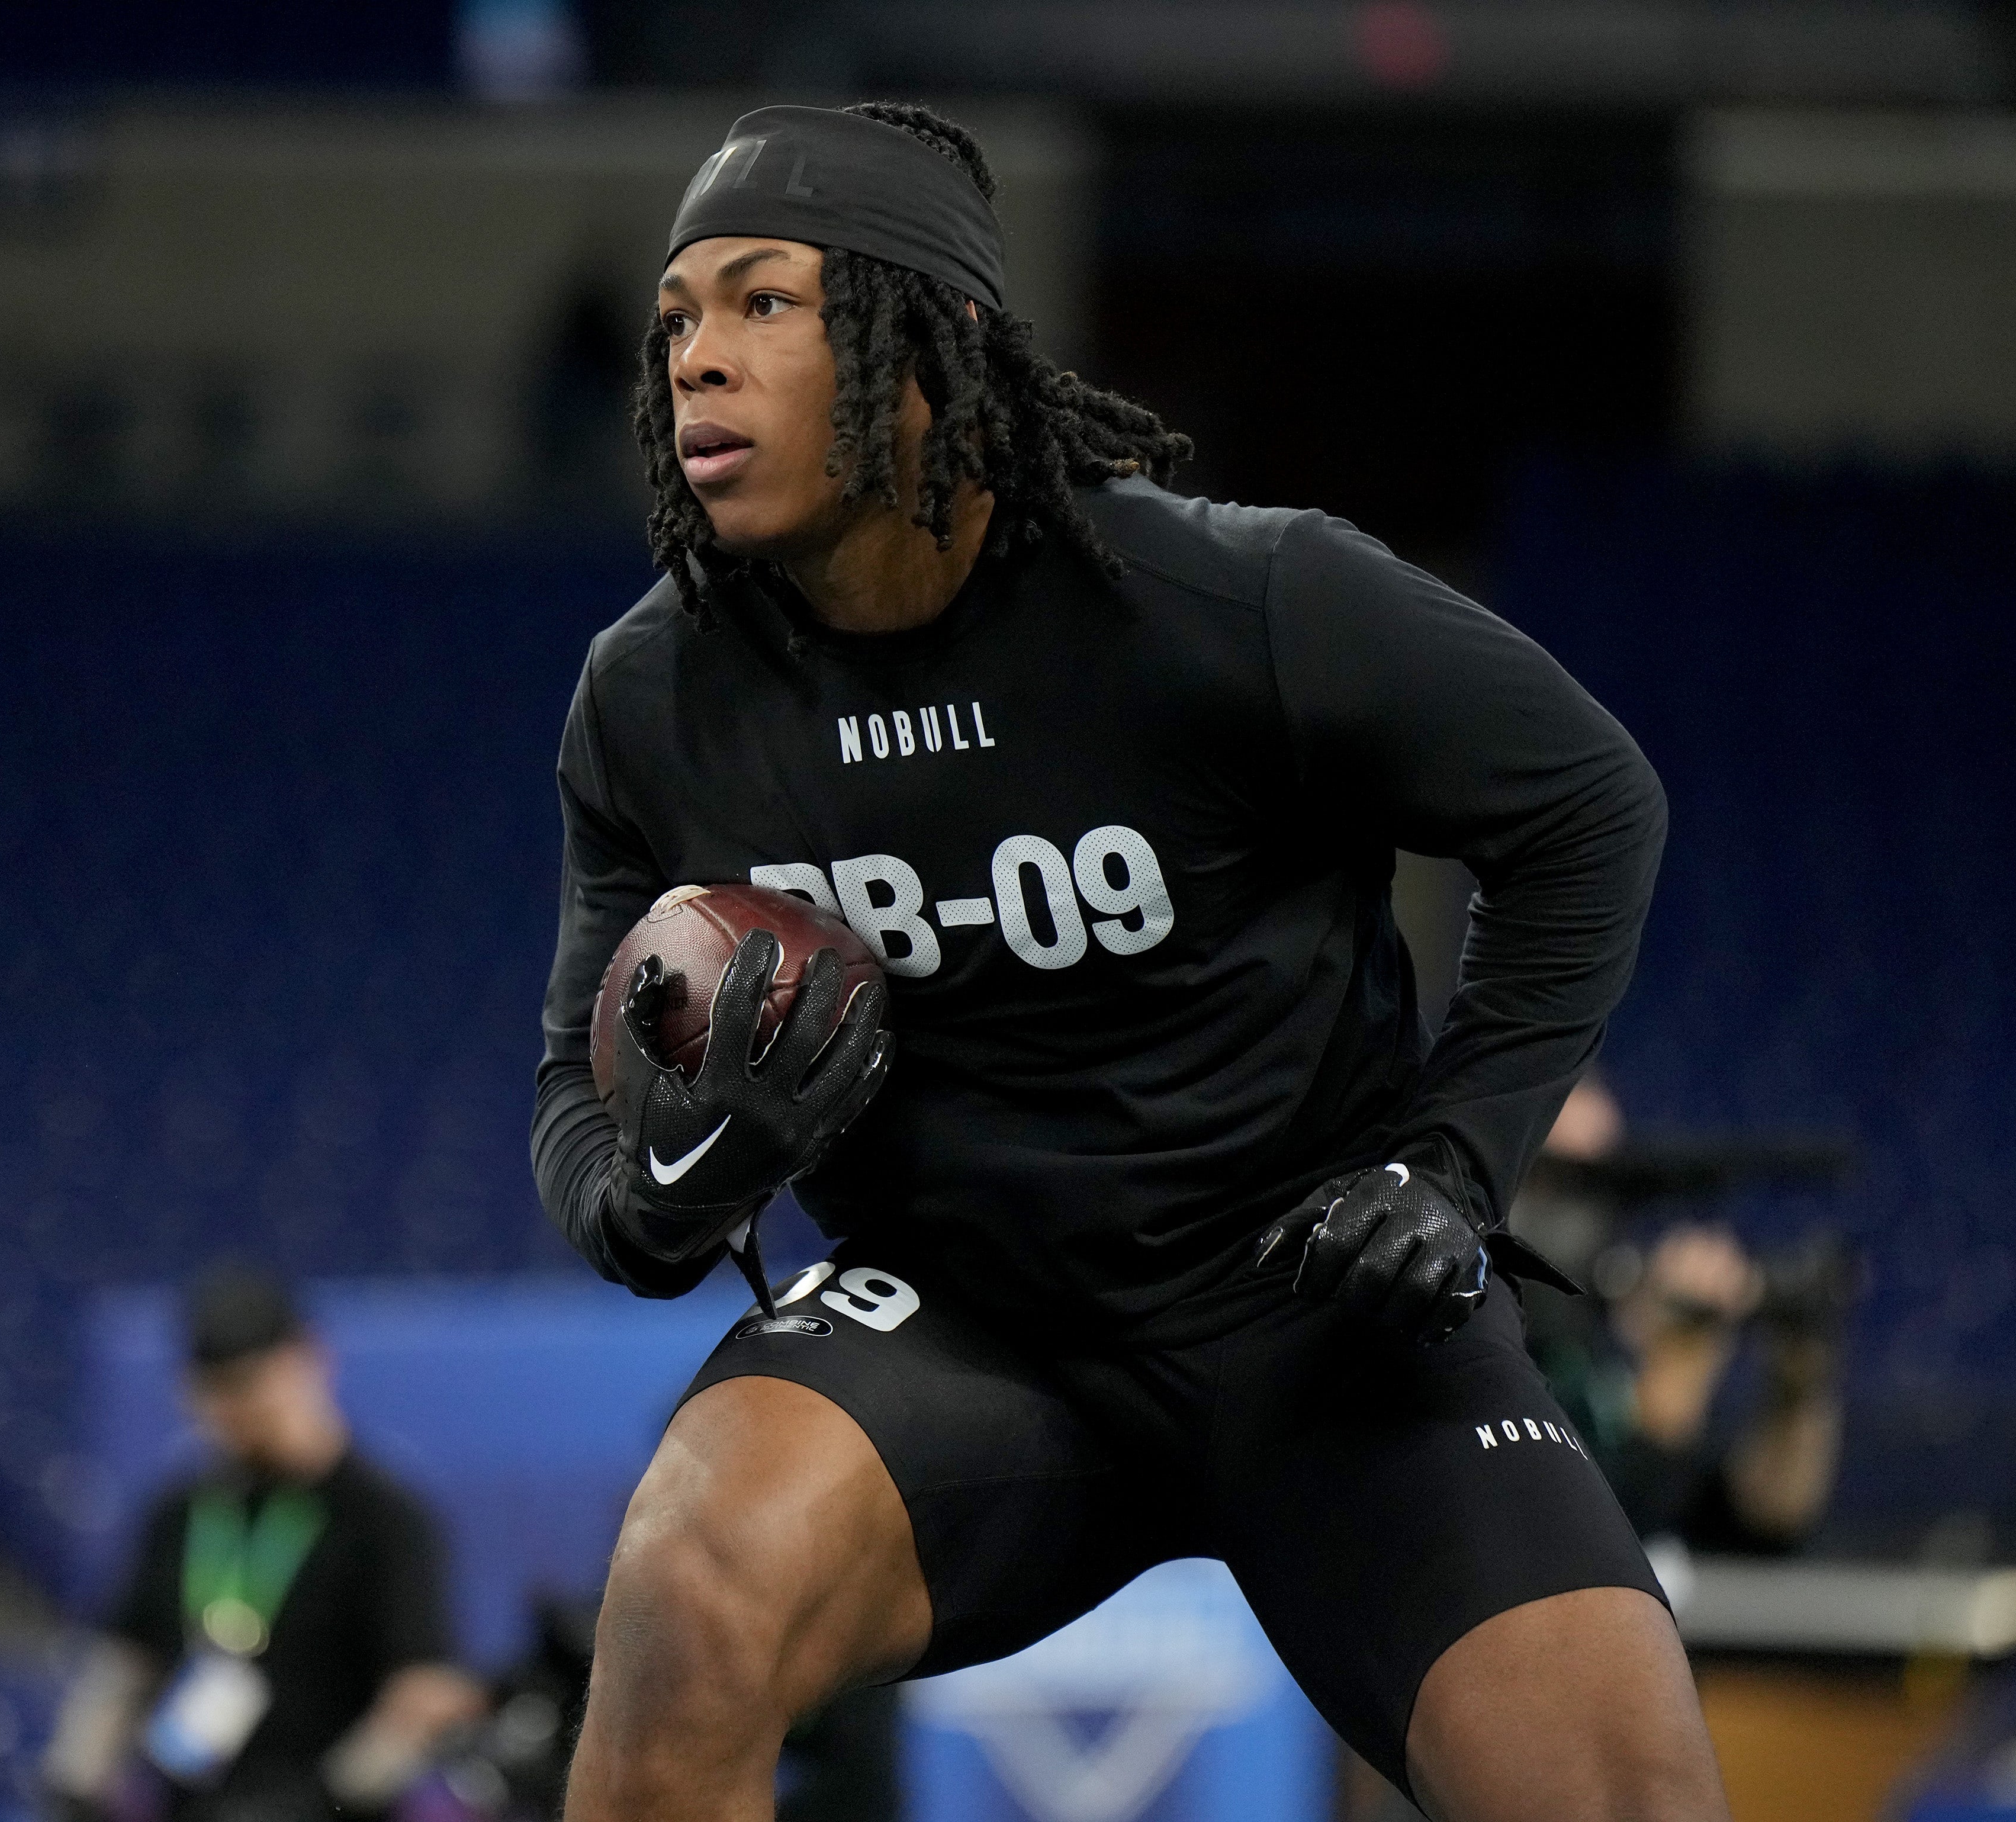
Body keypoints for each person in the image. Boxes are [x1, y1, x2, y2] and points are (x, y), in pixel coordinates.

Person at [529, 102, 1716, 1821]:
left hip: (1321, 1308)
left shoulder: (1235, 598)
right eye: (677, 320)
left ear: (919, 343)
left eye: (762, 303)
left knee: (1629, 1792)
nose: (698, 359)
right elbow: (576, 1085)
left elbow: (1593, 807)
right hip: (971, 1330)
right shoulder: (650, 699)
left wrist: (1453, 1169)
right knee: (690, 1569)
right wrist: (648, 1202)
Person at [42, 1268, 483, 1822]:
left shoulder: (384, 1517)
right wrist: (76, 1781)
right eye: (213, 1392)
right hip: (196, 1805)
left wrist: (334, 1795)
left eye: (250, 1385)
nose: (234, 1411)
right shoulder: (182, 1512)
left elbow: (428, 1691)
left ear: (309, 1359)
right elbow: (126, 1661)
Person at [1513, 1076, 1847, 1550]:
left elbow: (1757, 1527)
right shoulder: (1465, 1345)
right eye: (1564, 1185)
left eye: (1609, 1184)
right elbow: (1575, 1546)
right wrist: (1675, 1385)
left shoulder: (1594, 1348)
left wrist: (1796, 1390)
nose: (1587, 1217)